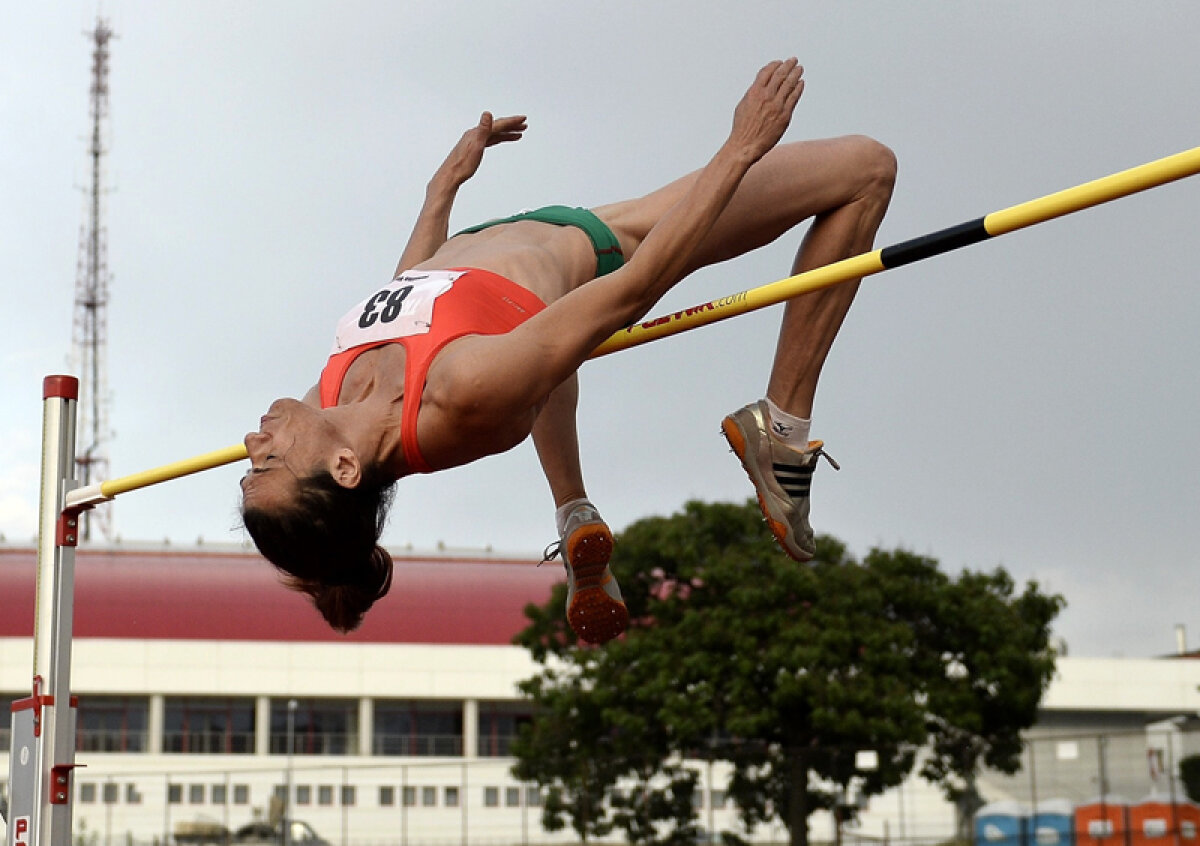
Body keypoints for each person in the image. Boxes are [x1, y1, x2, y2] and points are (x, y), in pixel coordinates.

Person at [240, 59, 896, 643]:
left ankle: (576, 509)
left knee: (541, 358)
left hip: (517, 243)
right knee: (866, 169)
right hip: (618, 237)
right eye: (268, 462)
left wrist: (442, 189)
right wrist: (741, 148)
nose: (252, 442)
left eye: (248, 465)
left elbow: (409, 287)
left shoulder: (330, 398)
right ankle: (782, 433)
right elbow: (637, 287)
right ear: (345, 468)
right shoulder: (463, 390)